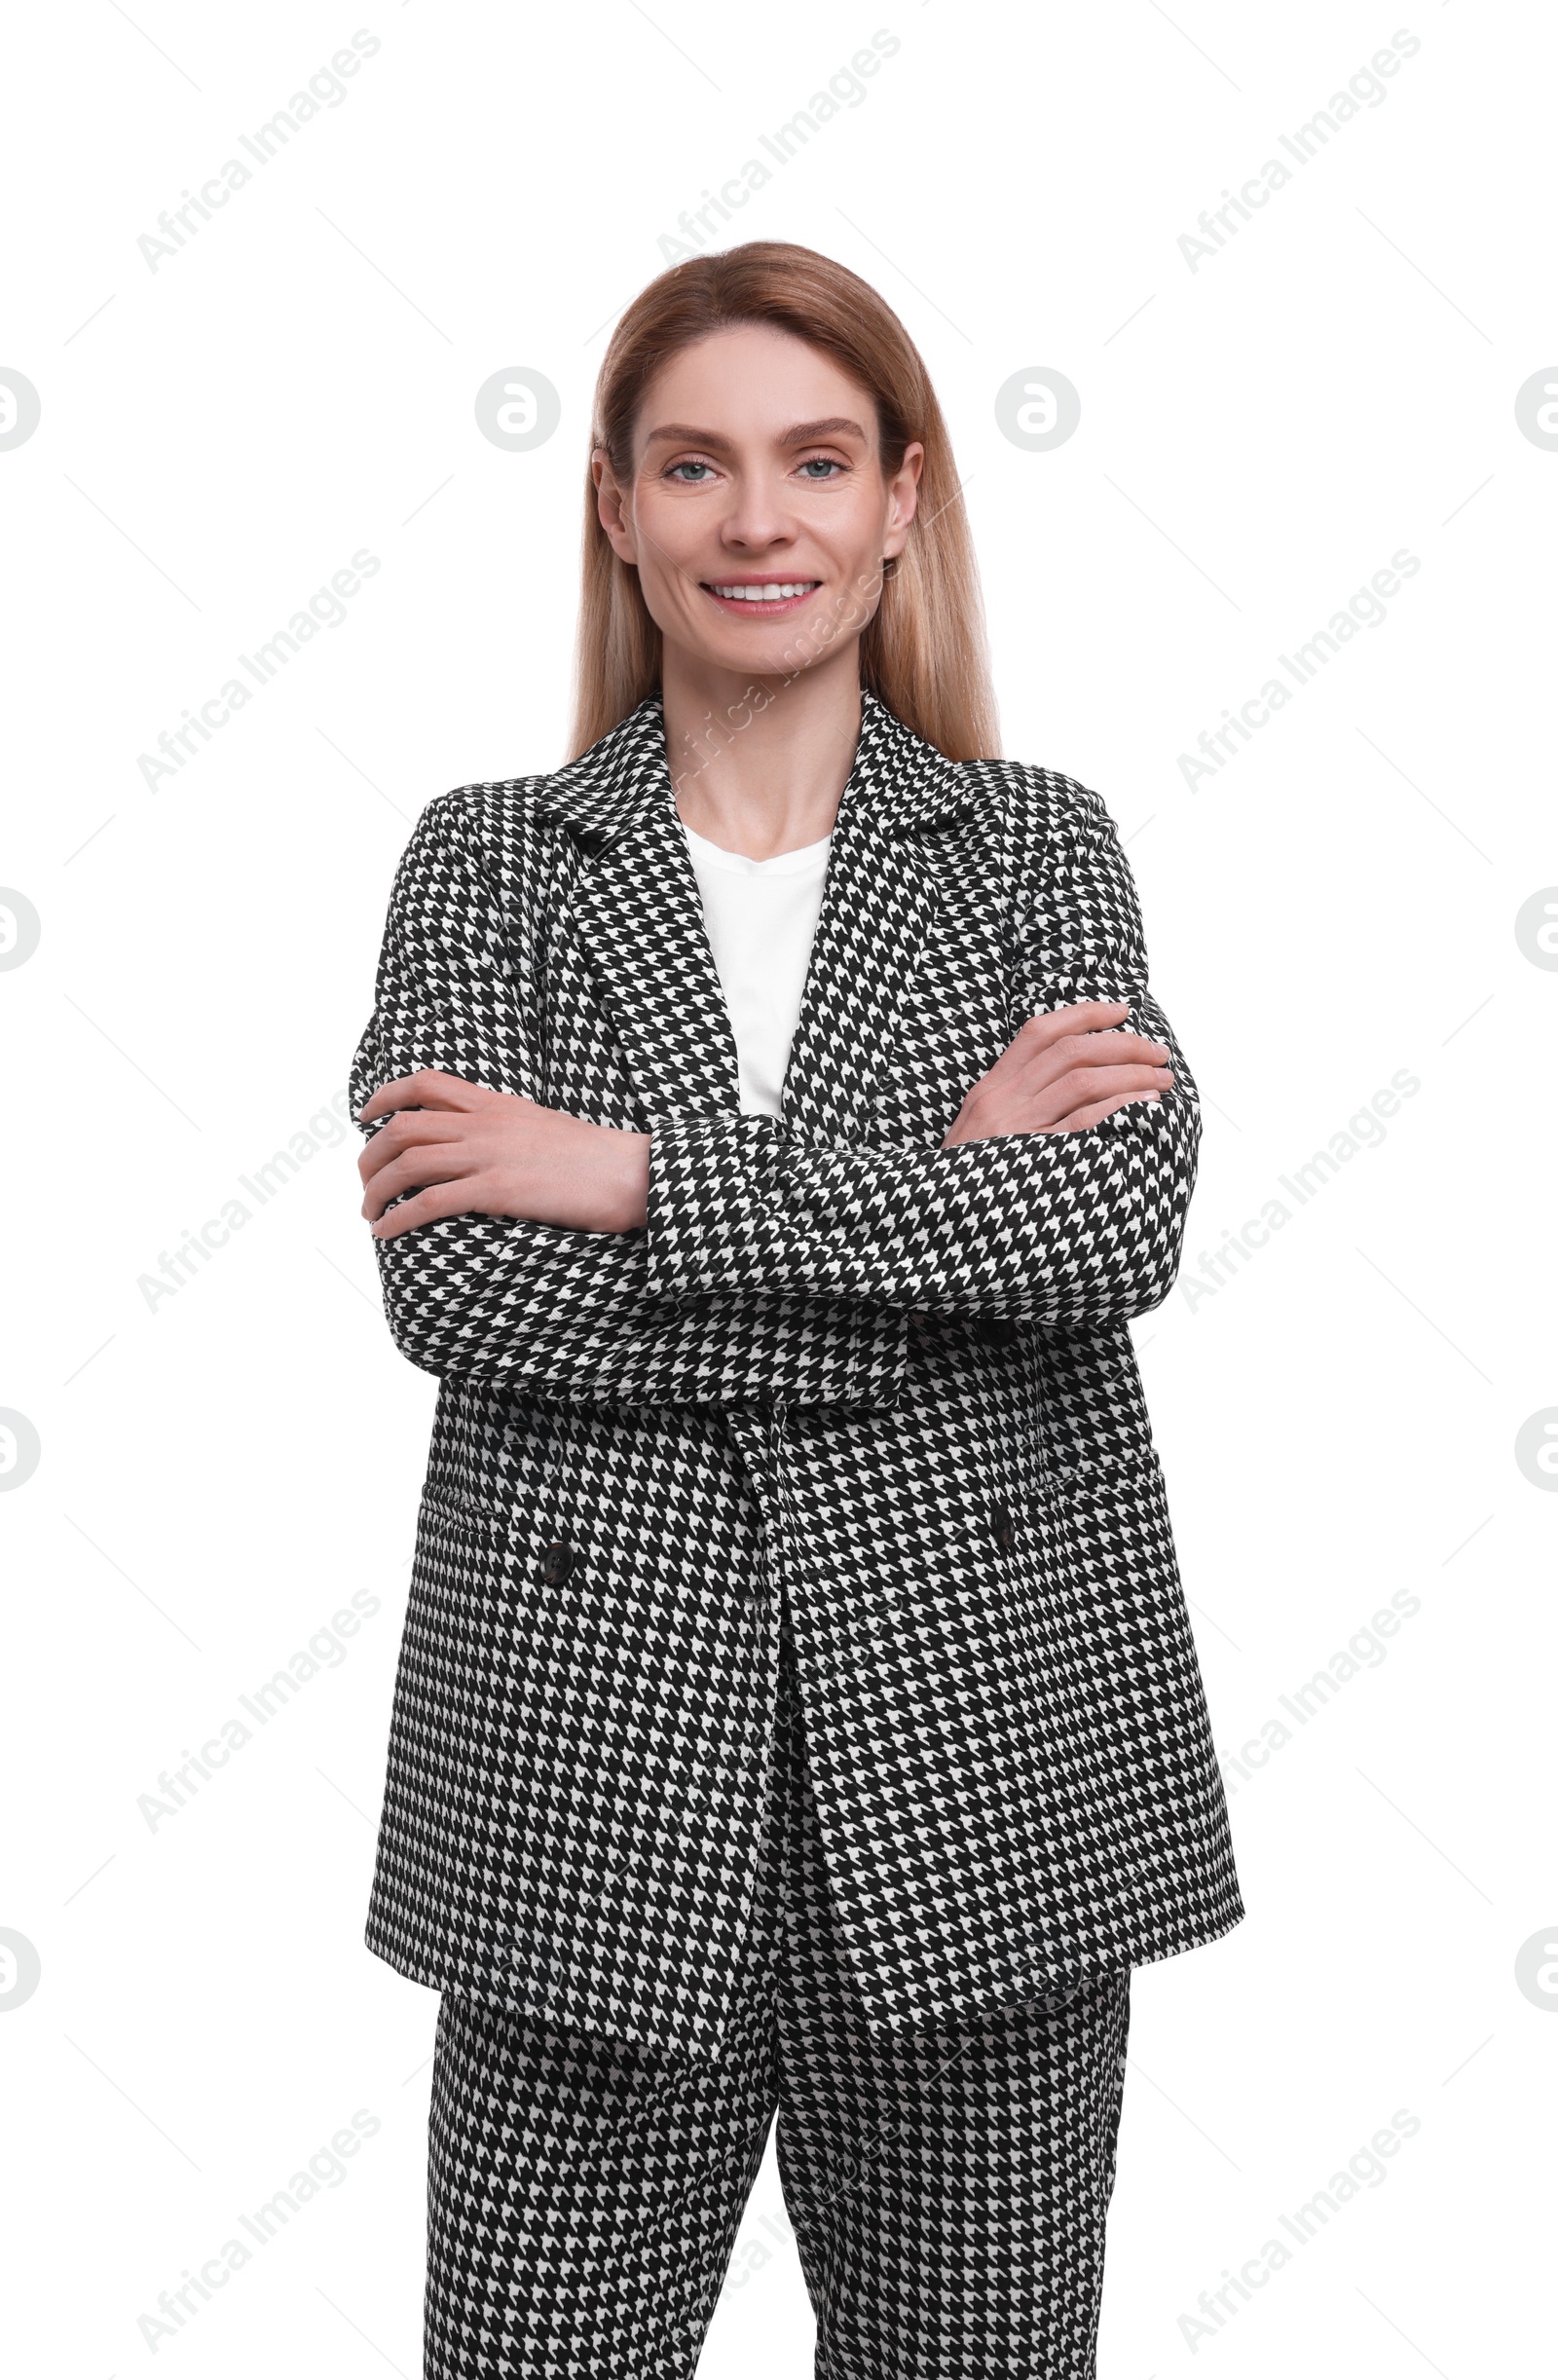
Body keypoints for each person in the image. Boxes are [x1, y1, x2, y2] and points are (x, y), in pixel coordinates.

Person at [351, 240, 1243, 2380]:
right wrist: (940, 1208)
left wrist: (630, 1174)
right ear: (614, 505)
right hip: (586, 1789)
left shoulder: (1032, 849)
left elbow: (1108, 1226)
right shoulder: (487, 860)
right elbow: (468, 1284)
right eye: (695, 466)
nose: (758, 522)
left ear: (901, 499)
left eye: (815, 461)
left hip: (981, 1779)